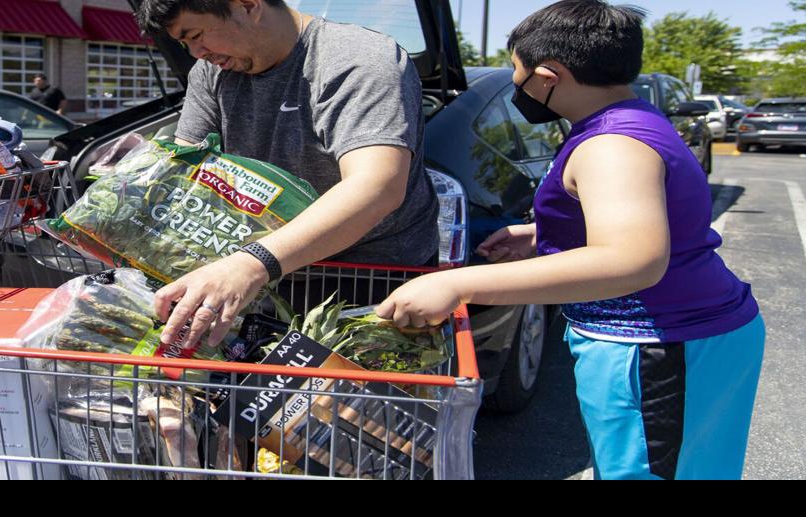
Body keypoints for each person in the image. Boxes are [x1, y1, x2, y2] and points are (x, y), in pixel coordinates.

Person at [375, 1, 766, 480]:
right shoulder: (630, 119)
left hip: (661, 347)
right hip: (686, 337)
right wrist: (543, 235)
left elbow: (633, 260)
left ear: (548, 75)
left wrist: (463, 285)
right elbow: (644, 218)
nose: (518, 87)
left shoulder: (611, 146)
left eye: (518, 75)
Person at [135, 0, 441, 354]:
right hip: (268, 273)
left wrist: (251, 264)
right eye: (184, 44)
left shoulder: (358, 60)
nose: (197, 53)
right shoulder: (211, 73)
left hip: (373, 279)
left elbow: (377, 187)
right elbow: (187, 168)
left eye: (197, 35)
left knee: (356, 405)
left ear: (248, 6)